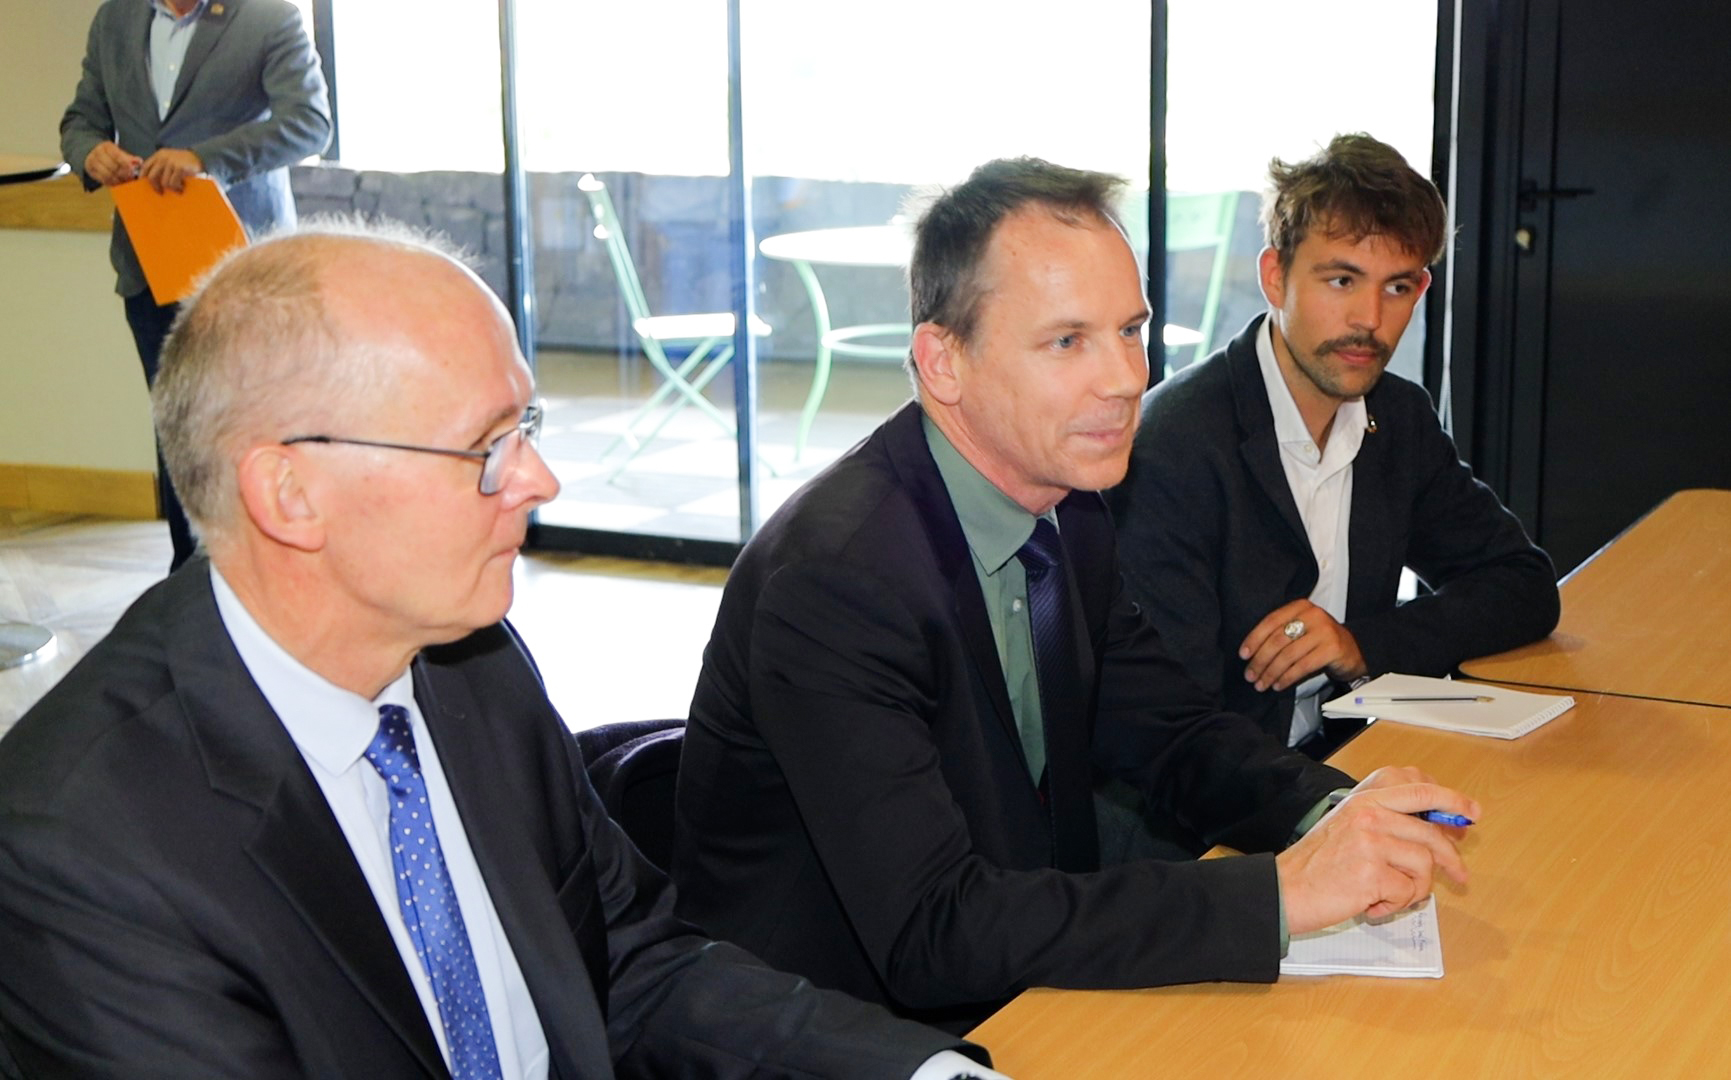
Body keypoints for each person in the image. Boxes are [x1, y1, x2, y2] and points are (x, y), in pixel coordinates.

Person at [0, 224, 994, 1079]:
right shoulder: (82, 851)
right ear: (290, 495)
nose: (540, 479)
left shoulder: (470, 664)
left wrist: (925, 1072)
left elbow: (632, 964)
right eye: (486, 445)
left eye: (528, 424)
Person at [672, 157, 1479, 1033]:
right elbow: (930, 928)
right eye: (1067, 342)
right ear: (943, 362)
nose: (1126, 378)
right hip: (832, 1029)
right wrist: (1281, 893)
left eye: (1130, 331)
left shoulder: (1070, 507)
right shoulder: (836, 579)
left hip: (1019, 976)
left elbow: (1167, 731)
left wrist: (1332, 808)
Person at [1112, 133, 1560, 755]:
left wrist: (1362, 644)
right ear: (1275, 277)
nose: (1370, 319)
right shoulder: (1172, 447)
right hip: (1231, 794)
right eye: (1343, 280)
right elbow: (1172, 733)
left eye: (1397, 287)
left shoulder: (1397, 417)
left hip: (1351, 753)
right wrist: (1329, 801)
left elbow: (1522, 585)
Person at [61, 0, 333, 571]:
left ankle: (270, 576)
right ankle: (191, 581)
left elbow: (309, 123)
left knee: (255, 427)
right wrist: (90, 153)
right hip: (148, 265)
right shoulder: (115, 19)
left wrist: (205, 159)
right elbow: (81, 120)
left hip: (244, 270)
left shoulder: (269, 17)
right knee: (177, 430)